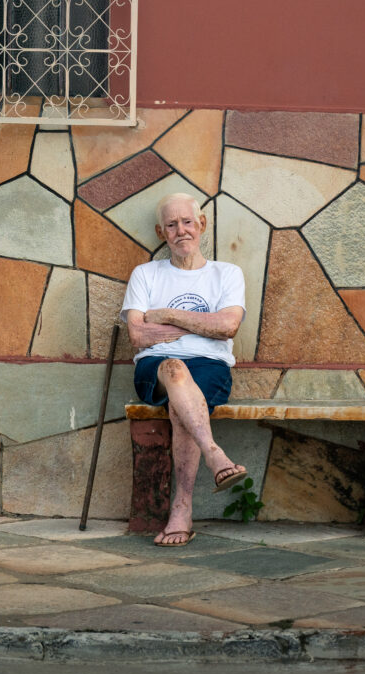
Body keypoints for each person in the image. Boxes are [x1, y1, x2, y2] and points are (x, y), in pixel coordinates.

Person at [119, 193, 247, 547]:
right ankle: (214, 455)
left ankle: (181, 510)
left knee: (182, 404)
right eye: (172, 225)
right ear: (162, 232)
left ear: (201, 225)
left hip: (210, 366)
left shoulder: (227, 274)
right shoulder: (146, 274)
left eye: (187, 222)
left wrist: (169, 316)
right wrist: (203, 324)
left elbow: (228, 327)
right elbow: (138, 334)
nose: (181, 231)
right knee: (174, 369)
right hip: (154, 367)